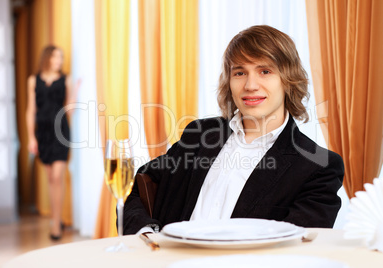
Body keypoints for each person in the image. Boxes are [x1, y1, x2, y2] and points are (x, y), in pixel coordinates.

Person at [123, 25, 344, 235]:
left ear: (288, 80)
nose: (250, 85)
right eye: (239, 73)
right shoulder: (200, 134)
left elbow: (294, 247)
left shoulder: (319, 167)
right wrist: (147, 235)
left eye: (265, 71)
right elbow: (133, 186)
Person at [26, 45, 79, 240]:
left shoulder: (66, 80)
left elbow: (69, 111)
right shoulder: (33, 80)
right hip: (43, 134)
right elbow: (30, 110)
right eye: (56, 57)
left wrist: (75, 93)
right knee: (50, 179)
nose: (59, 61)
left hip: (61, 131)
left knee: (58, 176)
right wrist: (31, 137)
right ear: (47, 58)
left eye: (61, 58)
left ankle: (56, 224)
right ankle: (56, 218)